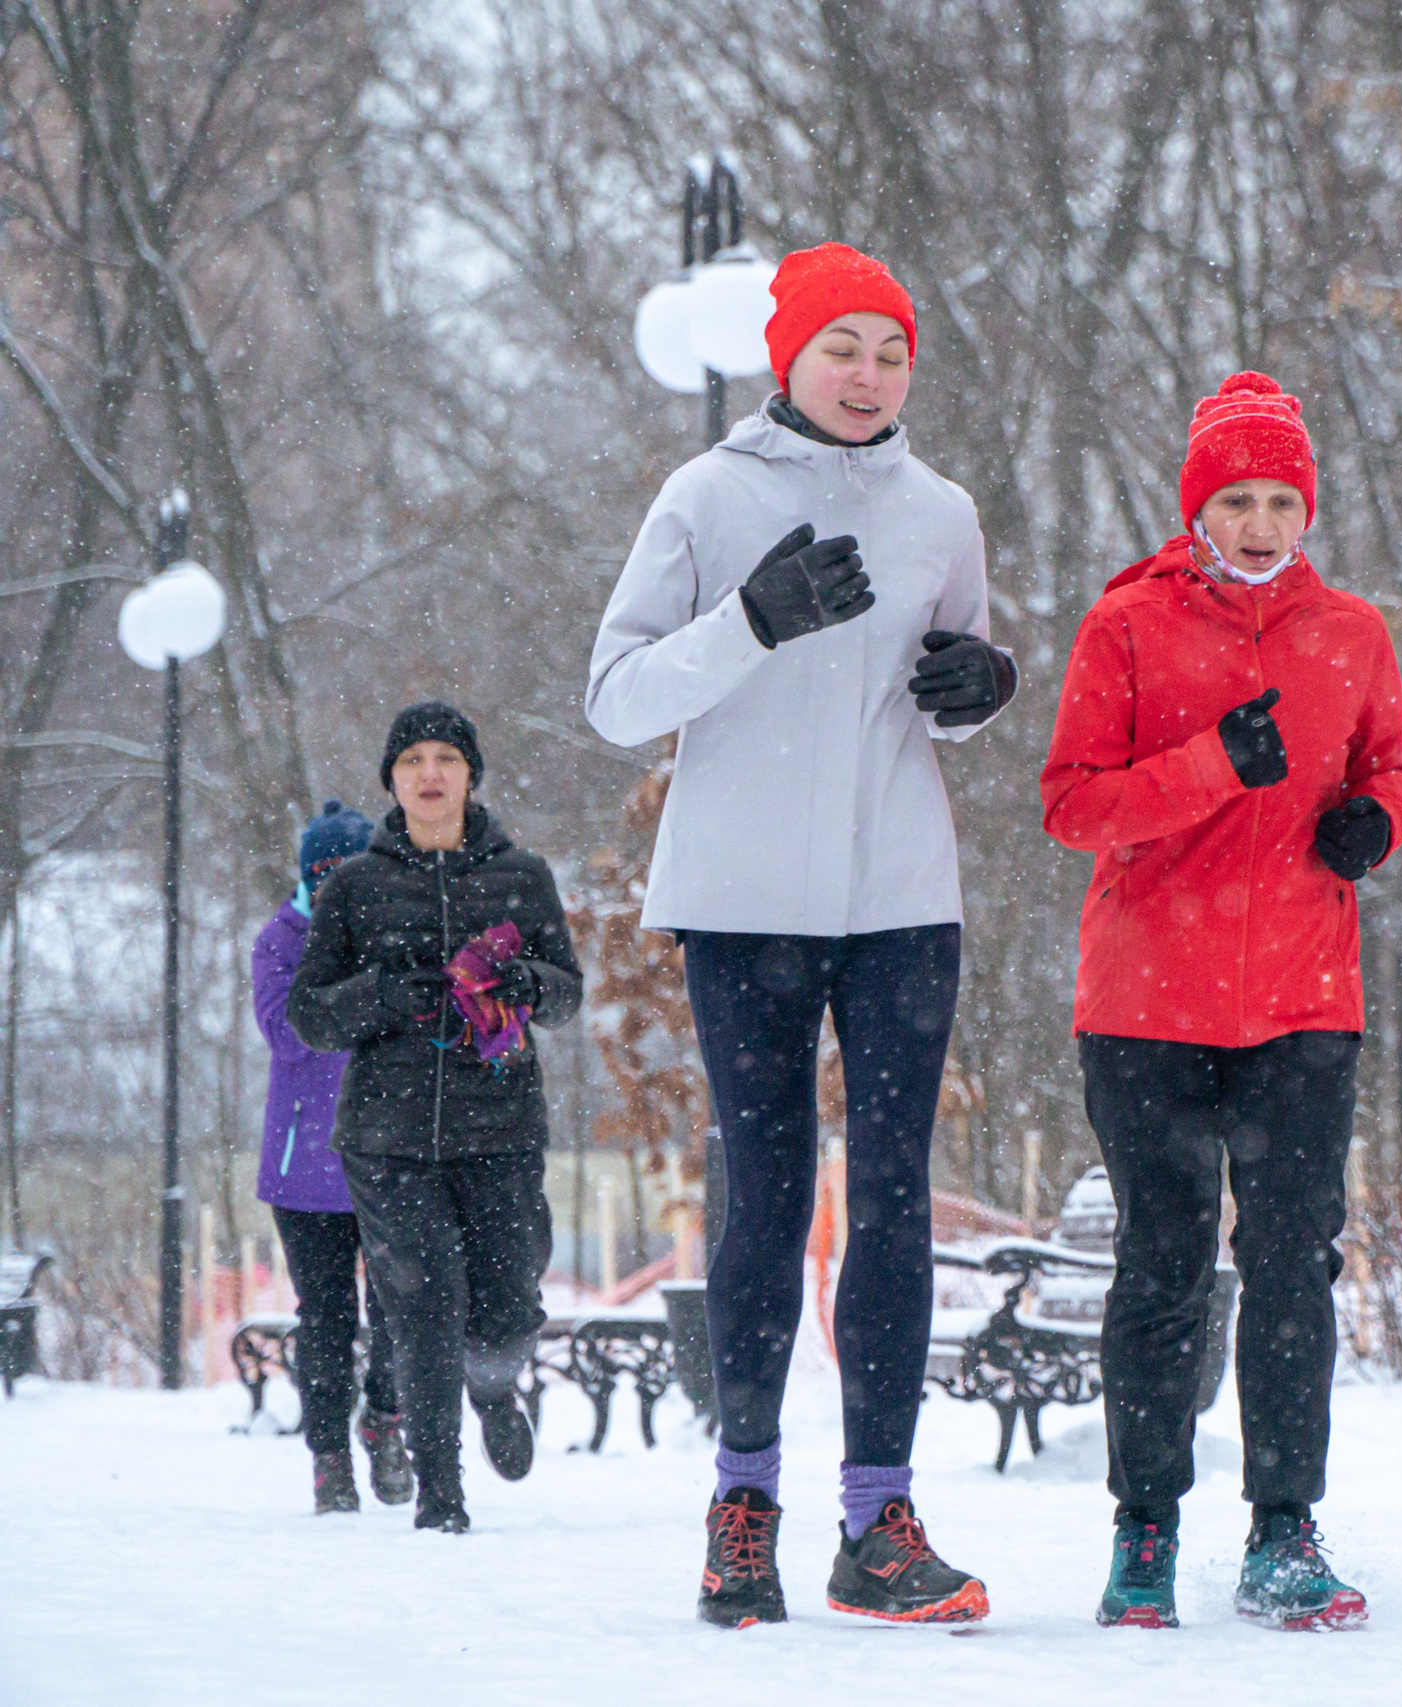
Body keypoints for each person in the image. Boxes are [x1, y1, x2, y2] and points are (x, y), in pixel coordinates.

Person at [586, 242, 1016, 1629]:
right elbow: (617, 692)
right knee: (767, 1189)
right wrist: (751, 619)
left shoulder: (942, 509)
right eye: (843, 348)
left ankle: (877, 1518)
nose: (869, 375)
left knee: (894, 1194)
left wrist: (980, 685)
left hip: (899, 896)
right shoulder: (706, 495)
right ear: (788, 357)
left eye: (891, 352)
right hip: (745, 895)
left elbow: (941, 689)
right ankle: (745, 1504)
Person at [1040, 371, 1402, 1631]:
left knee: (1293, 1267)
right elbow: (1071, 803)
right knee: (1162, 1267)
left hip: (1303, 1001)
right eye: (1236, 500)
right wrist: (1212, 767)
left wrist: (1376, 822)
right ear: (1198, 507)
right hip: (1147, 1001)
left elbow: (1389, 763)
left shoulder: (1352, 632)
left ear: (1306, 509)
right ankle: (1143, 1534)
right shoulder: (1131, 627)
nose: (1260, 524)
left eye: (1281, 500)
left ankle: (1282, 1534)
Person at [287, 703, 583, 1534]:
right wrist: (379, 996)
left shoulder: (521, 875)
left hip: (502, 1128)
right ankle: (440, 1492)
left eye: (446, 757)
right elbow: (310, 1013)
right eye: (412, 757)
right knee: (420, 1304)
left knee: (508, 1302)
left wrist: (525, 982)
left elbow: (568, 991)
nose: (429, 772)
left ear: (469, 773)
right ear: (391, 777)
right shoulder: (354, 886)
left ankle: (493, 1385)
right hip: (389, 1137)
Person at [252, 800, 410, 1515]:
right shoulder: (280, 940)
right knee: (326, 1320)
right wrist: (362, 986)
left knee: (403, 1311)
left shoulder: (395, 929)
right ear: (310, 876)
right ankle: (329, 1456)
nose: (340, 884)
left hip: (388, 1156)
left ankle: (384, 1420)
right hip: (305, 1171)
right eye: (328, 873)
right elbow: (289, 1031)